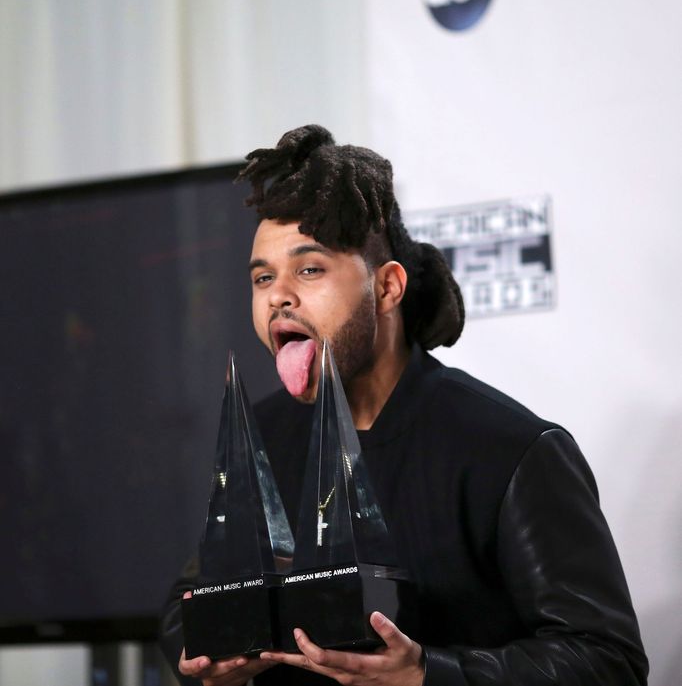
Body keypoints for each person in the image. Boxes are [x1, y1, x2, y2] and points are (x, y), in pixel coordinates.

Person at [160, 125, 648, 686]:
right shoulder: (262, 437)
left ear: (388, 287)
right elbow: (185, 604)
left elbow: (608, 661)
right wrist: (208, 657)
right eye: (263, 277)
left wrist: (425, 674)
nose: (278, 295)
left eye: (310, 269)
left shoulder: (509, 449)